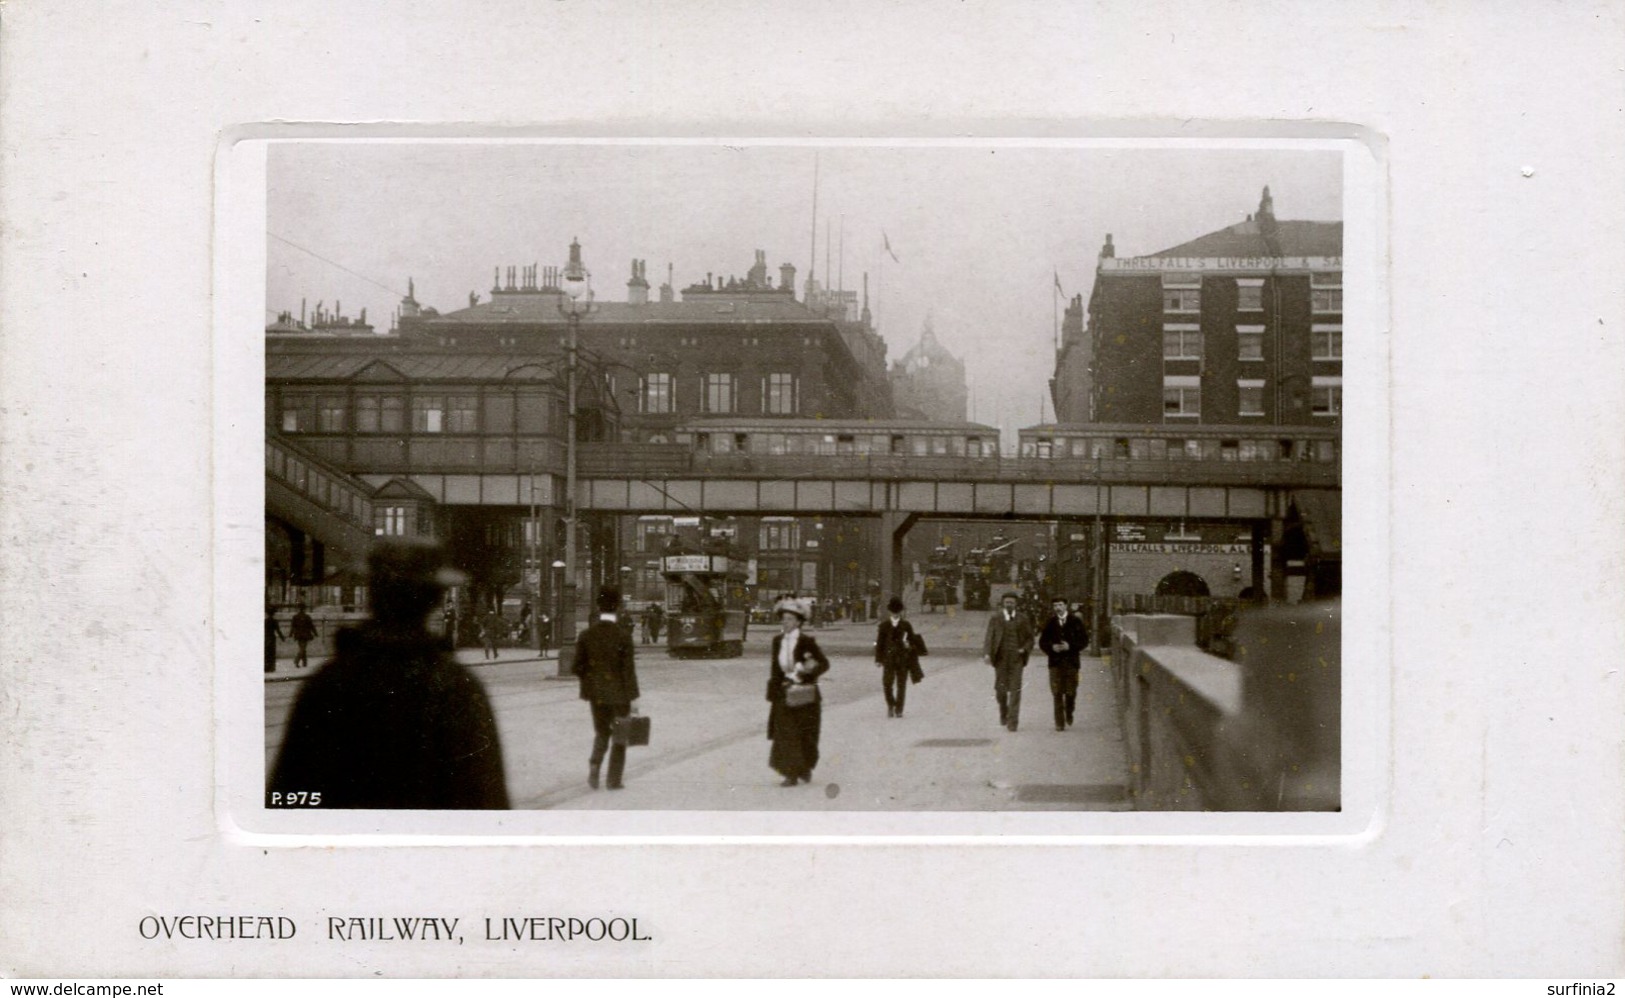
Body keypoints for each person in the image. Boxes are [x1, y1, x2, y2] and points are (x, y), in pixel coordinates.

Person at [268, 538, 509, 809]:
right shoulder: (457, 686)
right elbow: (485, 801)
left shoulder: (327, 682)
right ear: (435, 598)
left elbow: (288, 796)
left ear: (372, 593)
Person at [572, 586, 641, 790]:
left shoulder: (586, 635)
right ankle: (613, 780)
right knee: (620, 737)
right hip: (620, 695)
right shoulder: (623, 636)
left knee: (602, 731)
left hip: (596, 694)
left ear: (598, 607)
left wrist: (591, 680)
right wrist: (634, 698)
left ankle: (595, 764)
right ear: (618, 607)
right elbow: (629, 671)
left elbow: (576, 667)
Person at [765, 596, 829, 786]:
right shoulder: (777, 641)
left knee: (805, 734)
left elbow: (823, 664)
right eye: (783, 619)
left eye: (790, 619)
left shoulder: (807, 641)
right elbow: (775, 669)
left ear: (799, 622)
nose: (785, 622)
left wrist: (805, 672)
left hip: (805, 694)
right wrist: (775, 689)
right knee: (785, 733)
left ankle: (804, 768)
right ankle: (790, 773)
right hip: (784, 693)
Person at [982, 591, 1035, 731]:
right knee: (1001, 690)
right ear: (1003, 604)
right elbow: (989, 637)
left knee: (1015, 690)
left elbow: (1030, 638)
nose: (1009, 605)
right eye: (1007, 602)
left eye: (1012, 602)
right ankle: (1003, 712)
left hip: (1016, 660)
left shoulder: (1023, 619)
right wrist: (987, 653)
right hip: (1000, 659)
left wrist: (1024, 649)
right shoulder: (996, 618)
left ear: (1016, 604)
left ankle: (1013, 722)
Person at [1038, 596, 1090, 731]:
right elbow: (1042, 642)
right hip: (1055, 662)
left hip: (1071, 662)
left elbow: (1084, 641)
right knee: (1057, 692)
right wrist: (1051, 648)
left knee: (1071, 691)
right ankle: (1059, 723)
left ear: (1066, 606)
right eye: (1055, 605)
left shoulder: (1075, 621)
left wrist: (1070, 646)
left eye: (1060, 605)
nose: (1058, 608)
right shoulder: (1050, 622)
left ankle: (1069, 711)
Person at [873, 596, 918, 718]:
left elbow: (913, 642)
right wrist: (878, 659)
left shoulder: (906, 625)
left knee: (901, 685)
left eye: (897, 612)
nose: (895, 614)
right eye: (894, 612)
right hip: (888, 659)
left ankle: (899, 709)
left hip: (902, 659)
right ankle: (891, 704)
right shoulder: (884, 626)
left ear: (900, 612)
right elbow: (879, 644)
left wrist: (909, 644)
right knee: (887, 683)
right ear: (890, 612)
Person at [289, 602, 317, 669]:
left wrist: (290, 634)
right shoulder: (307, 617)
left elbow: (293, 627)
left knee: (302, 648)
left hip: (298, 635)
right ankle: (297, 660)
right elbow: (311, 626)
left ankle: (304, 663)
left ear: (299, 609)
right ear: (304, 609)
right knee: (303, 648)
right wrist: (315, 633)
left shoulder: (295, 617)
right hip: (305, 635)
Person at [264, 606, 284, 674]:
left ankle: (266, 667)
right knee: (272, 653)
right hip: (272, 638)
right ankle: (271, 667)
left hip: (266, 638)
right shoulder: (274, 621)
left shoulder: (265, 621)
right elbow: (278, 630)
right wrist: (282, 638)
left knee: (266, 653)